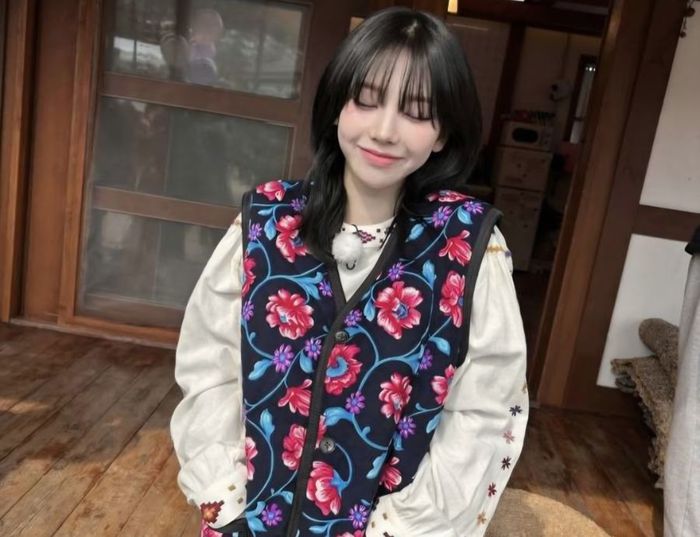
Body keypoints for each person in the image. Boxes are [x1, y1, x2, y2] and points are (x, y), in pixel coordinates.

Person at [170, 7, 529, 537]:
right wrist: (224, 496)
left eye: (416, 112)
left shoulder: (469, 245)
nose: (384, 131)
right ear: (337, 104)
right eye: (366, 99)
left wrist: (402, 527)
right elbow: (210, 365)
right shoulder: (264, 223)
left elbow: (486, 409)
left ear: (442, 134)